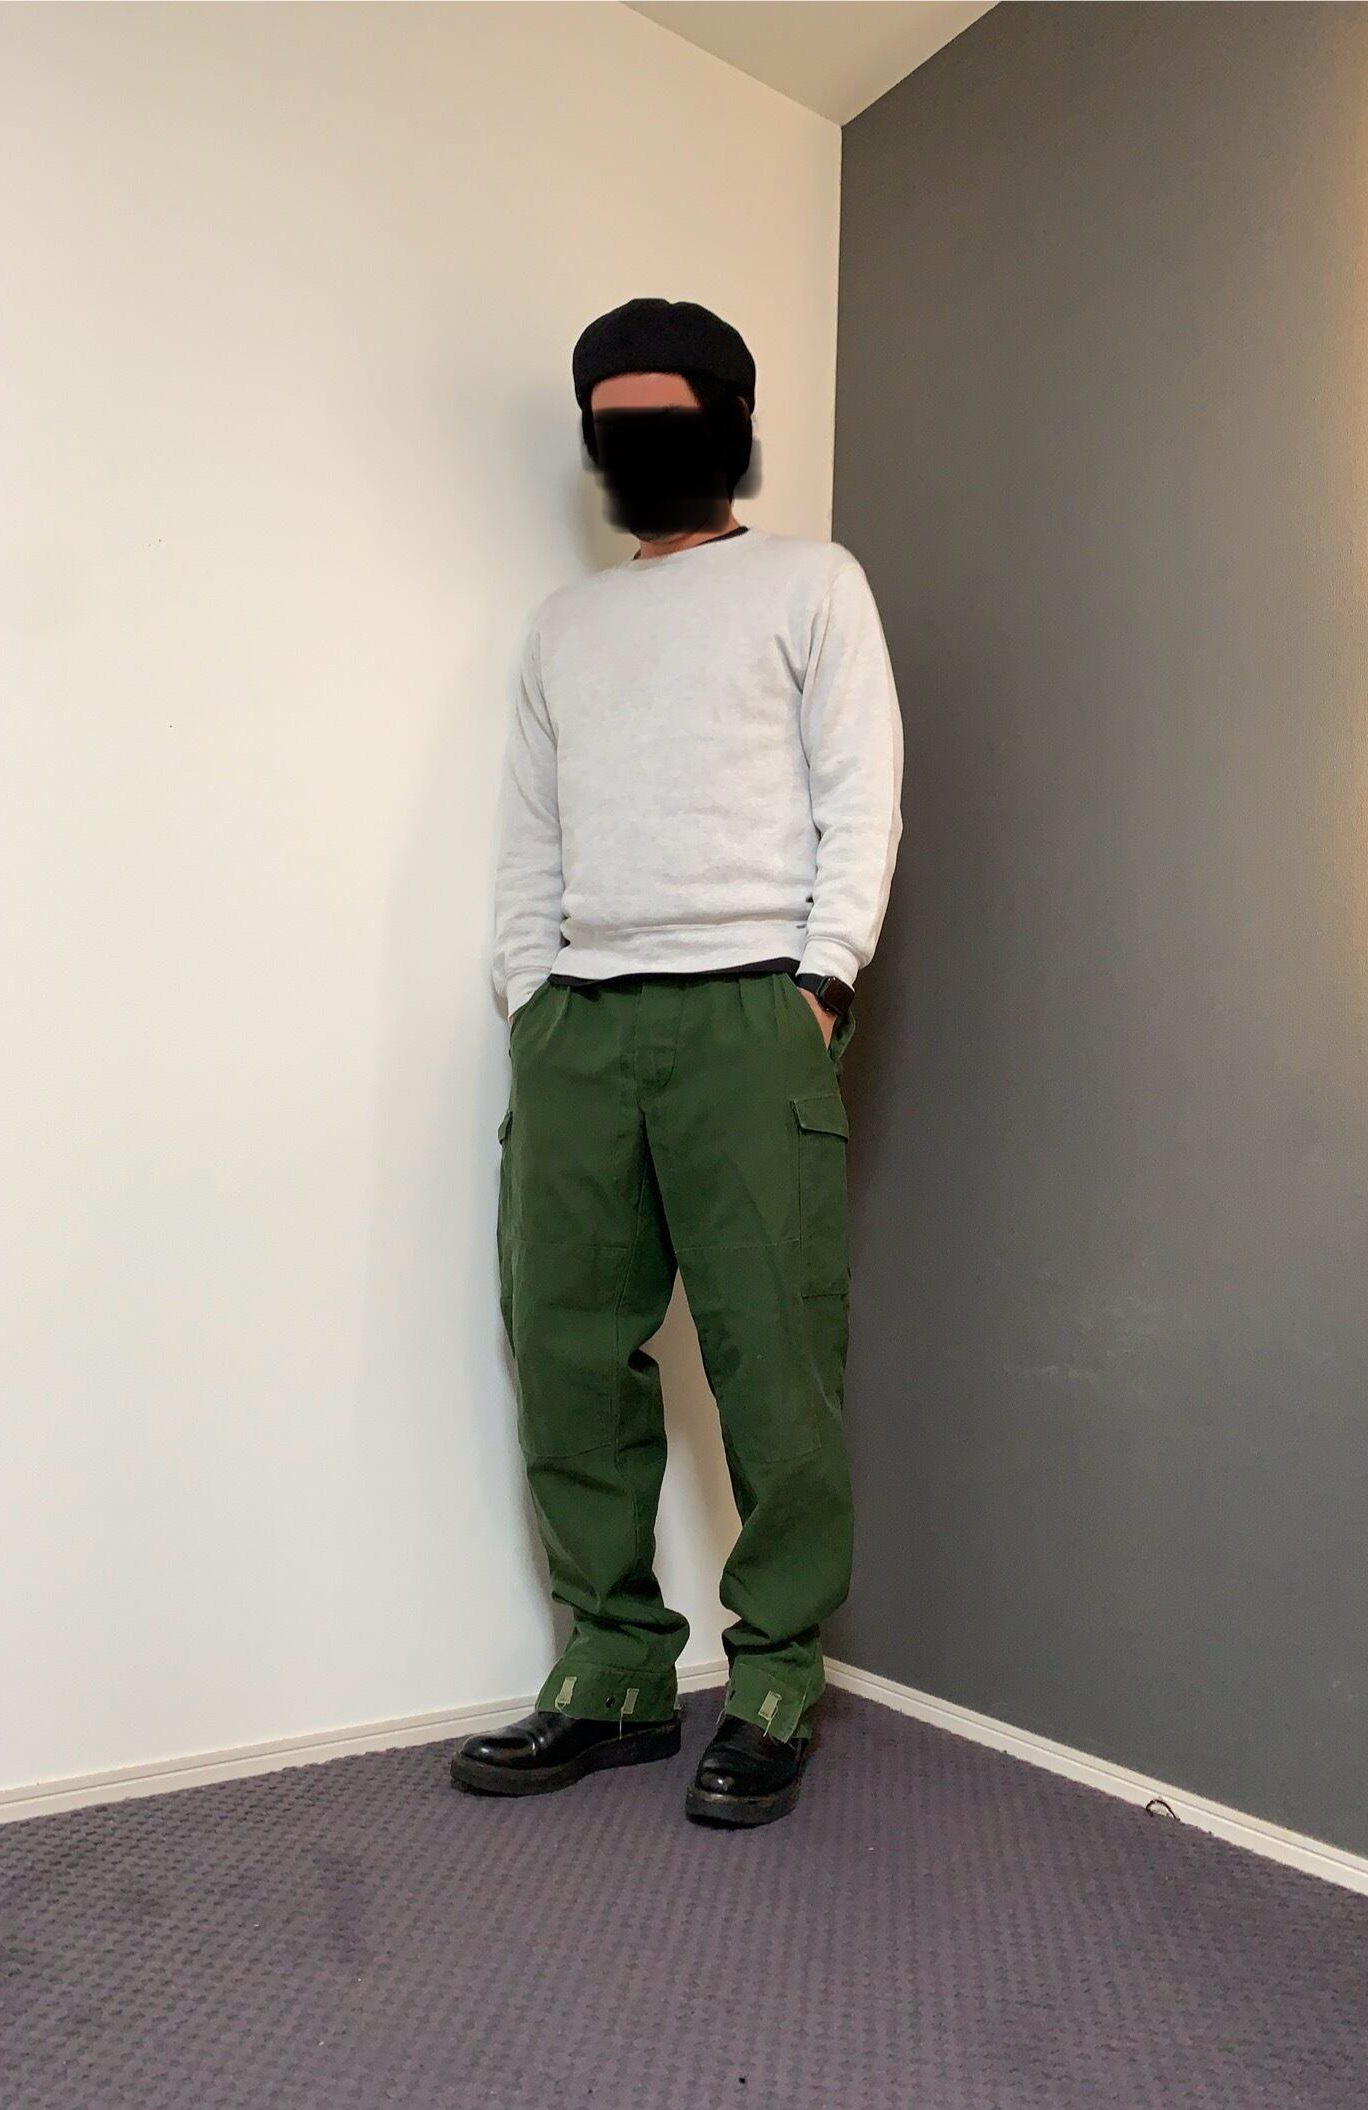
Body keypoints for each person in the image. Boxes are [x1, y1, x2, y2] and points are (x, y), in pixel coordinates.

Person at [450, 297, 904, 1828]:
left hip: (749, 1008)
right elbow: (529, 837)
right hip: (580, 1022)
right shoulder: (563, 628)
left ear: (732, 429)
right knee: (564, 1347)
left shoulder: (814, 583)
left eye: (671, 420)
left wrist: (821, 983)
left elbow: (863, 791)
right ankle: (614, 1671)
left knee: (775, 1352)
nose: (643, 447)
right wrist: (532, 999)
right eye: (617, 425)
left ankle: (773, 1676)